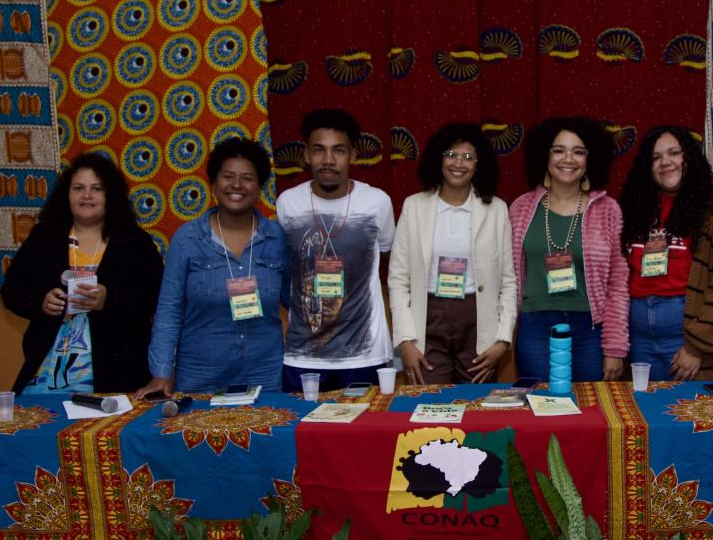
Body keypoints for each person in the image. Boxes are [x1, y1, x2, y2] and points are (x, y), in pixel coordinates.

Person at [135, 138, 287, 397]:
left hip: (265, 375)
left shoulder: (278, 238)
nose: (237, 185)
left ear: (260, 187)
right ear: (213, 184)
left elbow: (299, 301)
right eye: (228, 176)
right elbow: (169, 310)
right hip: (200, 376)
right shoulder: (188, 239)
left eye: (247, 178)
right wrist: (161, 372)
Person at [1, 152, 162, 394]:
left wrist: (110, 298)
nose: (87, 195)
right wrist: (40, 302)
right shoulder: (44, 238)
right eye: (78, 188)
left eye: (96, 188)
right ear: (67, 194)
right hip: (47, 371)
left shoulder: (135, 243)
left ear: (110, 195)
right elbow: (11, 290)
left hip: (117, 373)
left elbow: (156, 299)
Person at [620, 125, 713, 381]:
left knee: (692, 416)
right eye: (656, 157)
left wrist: (697, 346)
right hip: (641, 342)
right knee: (649, 414)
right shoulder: (635, 206)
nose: (665, 162)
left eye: (674, 153)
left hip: (690, 342)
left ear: (689, 157)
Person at [277, 108, 395, 391]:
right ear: (306, 154)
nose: (328, 160)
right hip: (303, 355)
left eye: (338, 151)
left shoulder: (377, 202)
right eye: (319, 150)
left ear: (353, 155)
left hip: (365, 353)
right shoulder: (287, 204)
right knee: (303, 433)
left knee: (364, 434)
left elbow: (388, 260)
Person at [388, 123, 516, 384]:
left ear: (479, 164)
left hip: (478, 324)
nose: (459, 163)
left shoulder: (497, 210)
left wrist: (502, 340)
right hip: (428, 321)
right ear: (439, 158)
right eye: (451, 154)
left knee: (476, 408)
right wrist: (405, 341)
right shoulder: (414, 207)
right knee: (430, 406)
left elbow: (508, 280)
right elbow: (398, 279)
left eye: (468, 157)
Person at [509, 116, 628, 382]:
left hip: (590, 329)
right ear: (545, 156)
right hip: (535, 326)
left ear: (590, 159)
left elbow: (617, 284)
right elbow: (508, 278)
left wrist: (615, 348)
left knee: (590, 411)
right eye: (559, 150)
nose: (568, 159)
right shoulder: (521, 208)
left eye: (578, 152)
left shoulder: (608, 210)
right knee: (539, 407)